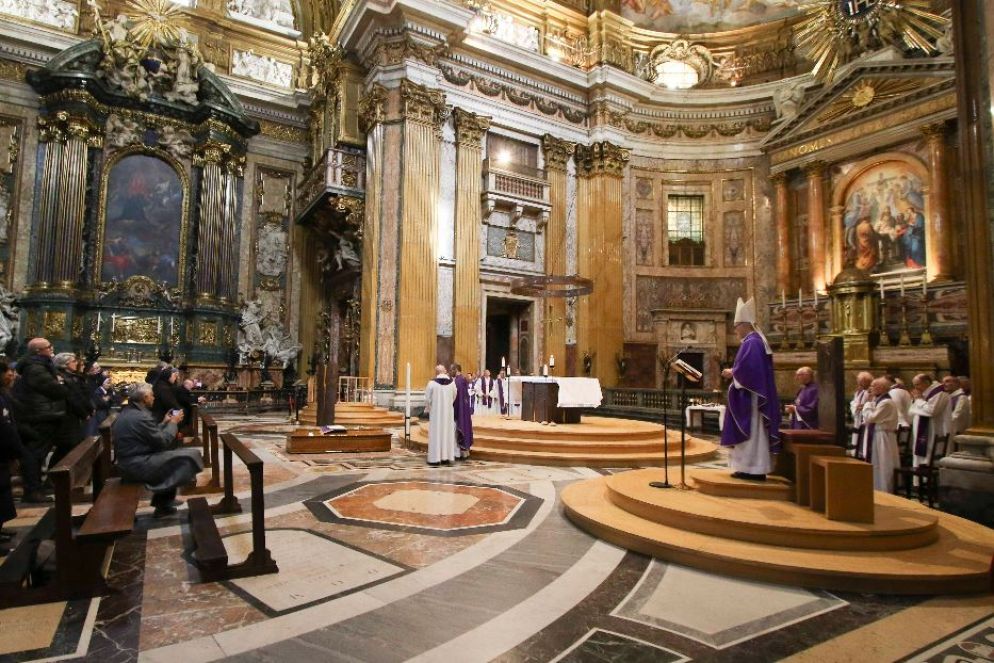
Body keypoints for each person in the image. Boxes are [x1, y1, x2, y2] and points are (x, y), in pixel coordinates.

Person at [112, 383, 201, 517]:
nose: (154, 398)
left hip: (130, 460)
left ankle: (163, 502)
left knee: (183, 456)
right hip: (136, 464)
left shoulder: (130, 412)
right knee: (184, 460)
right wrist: (173, 423)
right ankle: (163, 504)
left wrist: (164, 422)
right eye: (152, 396)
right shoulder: (141, 417)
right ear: (145, 398)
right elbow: (162, 442)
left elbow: (149, 434)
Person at [720, 298, 781, 481]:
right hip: (749, 396)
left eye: (737, 325)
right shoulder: (753, 341)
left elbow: (751, 370)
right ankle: (747, 467)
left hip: (751, 399)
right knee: (751, 434)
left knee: (752, 432)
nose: (735, 330)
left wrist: (733, 373)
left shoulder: (752, 342)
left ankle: (754, 468)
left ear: (745, 324)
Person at [13, 337, 67, 503]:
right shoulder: (35, 368)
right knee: (34, 455)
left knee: (38, 454)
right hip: (39, 415)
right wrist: (60, 383)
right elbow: (55, 390)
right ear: (38, 351)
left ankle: (38, 487)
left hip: (42, 413)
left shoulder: (38, 365)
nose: (52, 349)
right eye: (49, 347)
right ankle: (32, 490)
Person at [51, 352, 94, 465]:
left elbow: (80, 396)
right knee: (66, 448)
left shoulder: (72, 377)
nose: (77, 364)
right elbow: (72, 398)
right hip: (67, 417)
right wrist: (84, 413)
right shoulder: (63, 378)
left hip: (72, 417)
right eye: (74, 361)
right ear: (65, 364)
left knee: (70, 448)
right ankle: (55, 476)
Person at [860, 377, 900, 492]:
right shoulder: (881, 401)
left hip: (882, 437)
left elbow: (871, 418)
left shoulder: (886, 402)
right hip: (879, 435)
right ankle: (876, 487)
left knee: (883, 465)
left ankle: (884, 489)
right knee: (877, 463)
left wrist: (867, 404)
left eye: (872, 386)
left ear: (881, 388)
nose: (870, 389)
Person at [0, 358, 22, 552]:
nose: (13, 374)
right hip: (3, 450)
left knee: (2, 491)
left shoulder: (4, 395)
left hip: (5, 452)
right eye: (9, 371)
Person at [908, 373, 951, 466]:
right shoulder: (926, 394)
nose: (916, 388)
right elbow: (911, 411)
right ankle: (920, 477)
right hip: (924, 431)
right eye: (914, 385)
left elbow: (931, 411)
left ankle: (926, 476)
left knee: (929, 456)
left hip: (932, 430)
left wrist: (918, 400)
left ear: (927, 382)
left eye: (917, 384)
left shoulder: (939, 393)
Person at [423, 365, 457, 466]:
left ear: (436, 373)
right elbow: (454, 396)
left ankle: (435, 459)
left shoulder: (432, 383)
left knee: (436, 433)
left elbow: (427, 399)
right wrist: (448, 405)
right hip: (448, 413)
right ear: (444, 371)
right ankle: (446, 457)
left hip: (436, 413)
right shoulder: (452, 383)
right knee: (447, 433)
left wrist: (430, 408)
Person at [450, 363, 473, 460]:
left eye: (452, 370)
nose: (450, 372)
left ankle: (457, 453)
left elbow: (455, 398)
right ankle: (464, 452)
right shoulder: (461, 380)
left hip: (458, 410)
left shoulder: (457, 382)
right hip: (464, 409)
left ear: (456, 369)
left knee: (456, 432)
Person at [850, 371, 873, 459]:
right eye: (858, 381)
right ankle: (856, 454)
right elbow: (853, 402)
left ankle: (862, 455)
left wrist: (863, 406)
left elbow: (873, 403)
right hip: (858, 417)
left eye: (861, 381)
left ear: (867, 381)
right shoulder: (859, 391)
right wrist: (856, 406)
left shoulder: (871, 391)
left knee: (863, 440)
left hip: (865, 419)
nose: (859, 383)